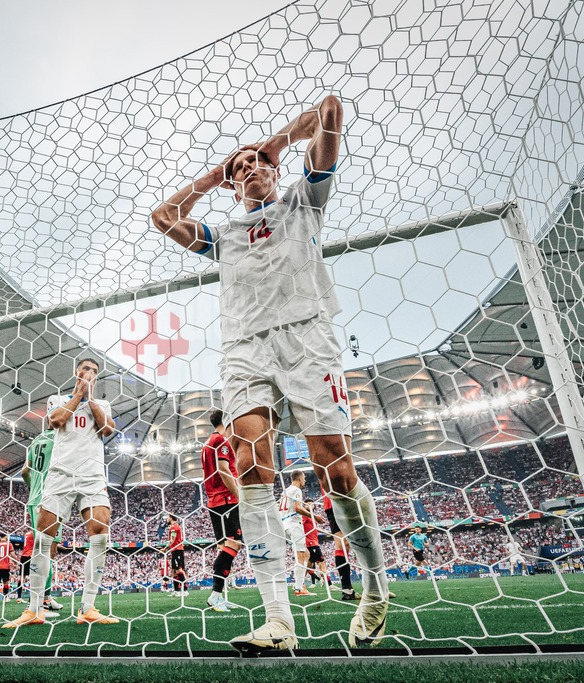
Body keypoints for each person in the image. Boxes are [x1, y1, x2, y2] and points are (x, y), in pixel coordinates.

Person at [152, 94, 389, 652]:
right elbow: (164, 218)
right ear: (232, 185)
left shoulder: (303, 202)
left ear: (277, 170)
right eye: (241, 169)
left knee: (334, 467)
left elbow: (330, 110)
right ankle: (278, 621)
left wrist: (271, 146)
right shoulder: (224, 237)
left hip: (308, 339)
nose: (250, 170)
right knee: (251, 465)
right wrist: (217, 175)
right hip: (244, 348)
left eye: (258, 165)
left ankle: (376, 590)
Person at [5, 358, 118, 627]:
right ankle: (34, 610)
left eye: (94, 371)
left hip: (92, 475)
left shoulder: (102, 405)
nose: (89, 373)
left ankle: (88, 608)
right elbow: (56, 420)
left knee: (100, 535)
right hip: (60, 474)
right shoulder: (57, 399)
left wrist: (90, 399)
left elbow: (107, 428)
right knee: (43, 539)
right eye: (86, 369)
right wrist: (79, 394)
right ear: (76, 372)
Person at [201, 408, 243, 612]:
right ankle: (215, 595)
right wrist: (240, 496)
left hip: (214, 501)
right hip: (226, 499)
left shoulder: (208, 442)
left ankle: (219, 596)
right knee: (234, 544)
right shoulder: (221, 440)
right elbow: (223, 469)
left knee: (225, 546)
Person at [21, 427, 67, 614]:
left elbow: (24, 471)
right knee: (49, 552)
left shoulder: (36, 440)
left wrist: (34, 490)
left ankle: (44, 598)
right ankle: (39, 601)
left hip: (34, 499)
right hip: (52, 499)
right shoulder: (61, 439)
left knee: (41, 550)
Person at [279, 470, 316, 596]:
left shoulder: (285, 491)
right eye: (304, 478)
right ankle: (299, 588)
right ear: (299, 478)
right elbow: (297, 508)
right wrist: (314, 516)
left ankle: (300, 585)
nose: (304, 480)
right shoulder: (296, 490)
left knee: (306, 553)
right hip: (294, 524)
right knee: (300, 555)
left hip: (284, 525)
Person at [322, 494, 361, 601]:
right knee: (342, 543)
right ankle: (347, 590)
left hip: (346, 501)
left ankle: (375, 588)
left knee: (346, 544)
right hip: (335, 503)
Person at [166, 514, 187, 596]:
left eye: (168, 517)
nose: (167, 519)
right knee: (174, 571)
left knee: (179, 570)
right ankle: (176, 591)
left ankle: (184, 590)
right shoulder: (175, 527)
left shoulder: (174, 527)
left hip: (177, 550)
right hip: (174, 550)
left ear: (171, 518)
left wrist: (165, 549)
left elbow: (172, 540)